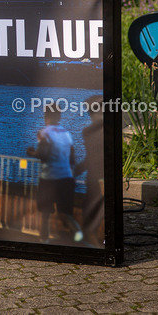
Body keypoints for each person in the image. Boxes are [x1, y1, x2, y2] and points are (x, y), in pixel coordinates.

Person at [26, 104, 83, 243]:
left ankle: (43, 240)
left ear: (46, 116)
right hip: (66, 178)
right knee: (66, 213)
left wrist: (31, 152)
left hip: (49, 179)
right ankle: (79, 234)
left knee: (45, 213)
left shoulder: (44, 132)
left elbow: (42, 154)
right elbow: (72, 158)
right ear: (59, 116)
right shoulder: (66, 133)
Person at [73, 95, 104, 247]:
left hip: (96, 182)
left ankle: (93, 245)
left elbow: (89, 160)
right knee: (88, 217)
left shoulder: (89, 132)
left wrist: (74, 172)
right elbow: (90, 159)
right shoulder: (90, 133)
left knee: (89, 219)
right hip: (95, 181)